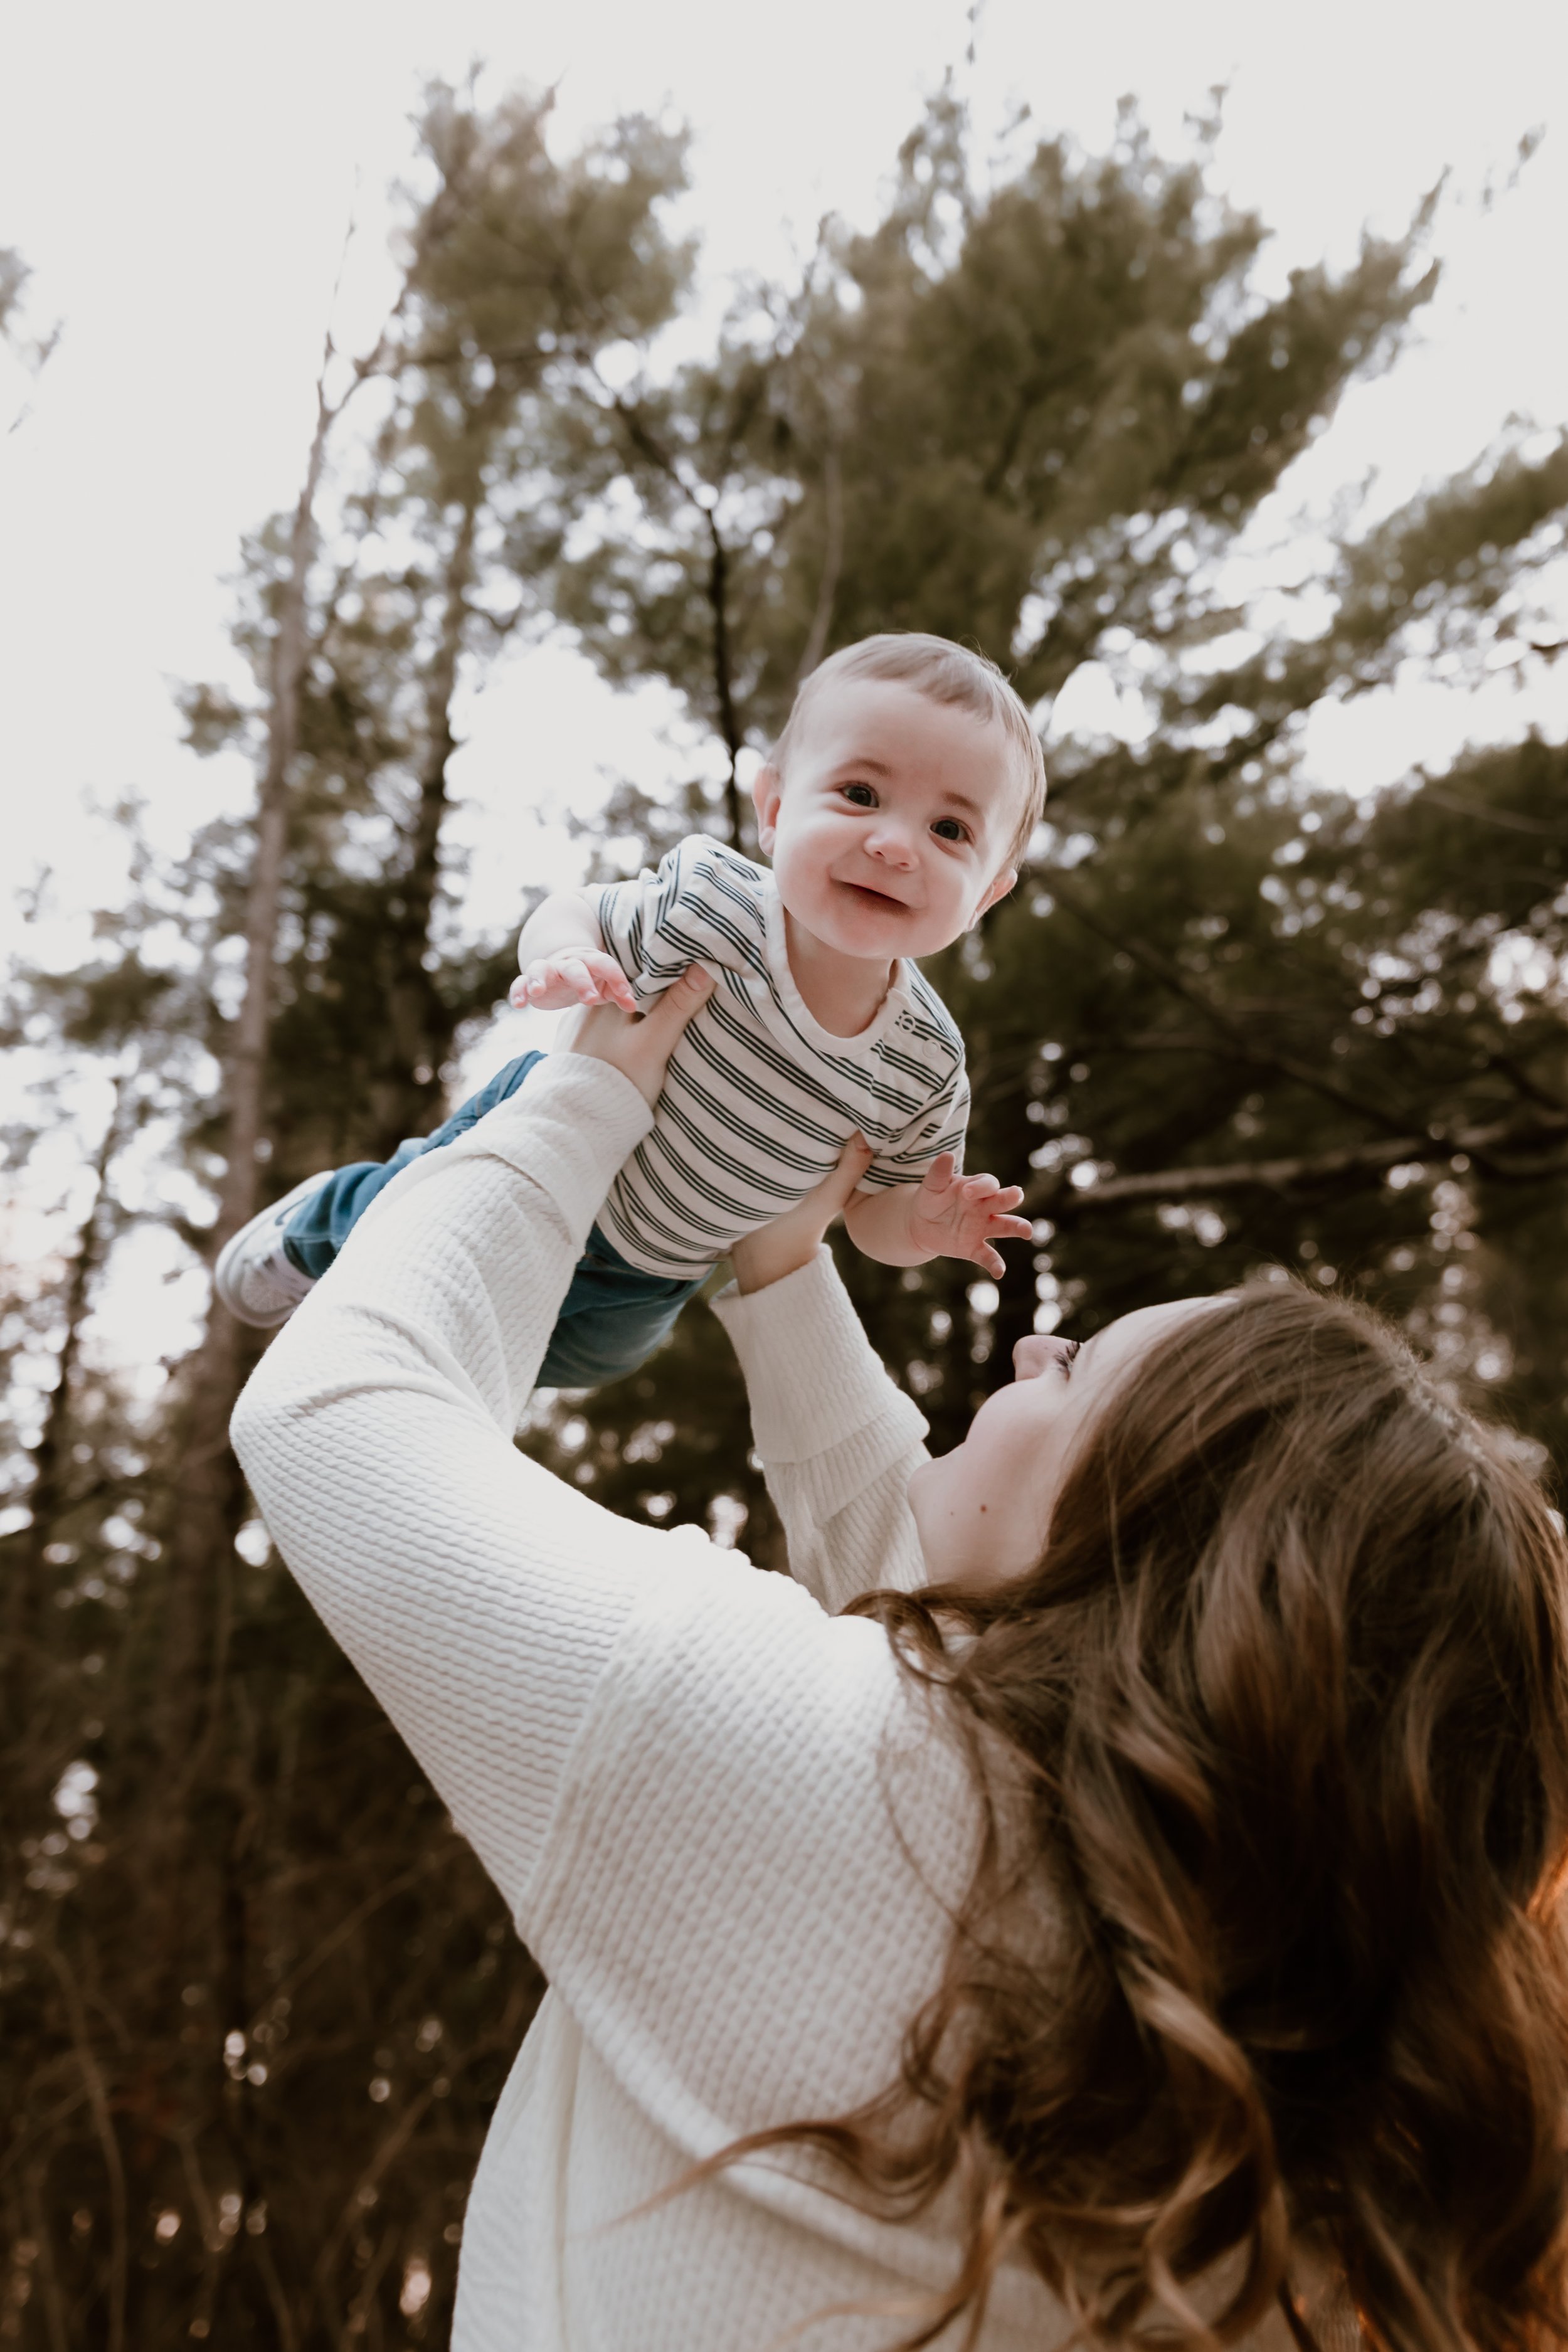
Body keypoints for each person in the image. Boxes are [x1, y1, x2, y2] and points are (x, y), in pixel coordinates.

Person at [231, 969, 1568, 2352]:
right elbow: (927, 1596)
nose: (1037, 1342)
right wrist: (781, 1264)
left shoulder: (841, 1788)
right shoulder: (1346, 2070)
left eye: (1077, 1370)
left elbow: (342, 1414)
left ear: (1142, 1545)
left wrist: (579, 1100)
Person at [215, 632, 1042, 1386]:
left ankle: (440, 1365)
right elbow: (576, 907)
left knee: (582, 1359)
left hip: (655, 1266)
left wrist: (924, 1227)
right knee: (409, 1222)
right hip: (536, 1138)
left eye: (949, 828)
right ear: (777, 808)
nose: (895, 843)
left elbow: (867, 1211)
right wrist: (565, 955)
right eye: (861, 793)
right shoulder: (713, 904)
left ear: (987, 895)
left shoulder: (925, 1065)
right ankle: (316, 1232)